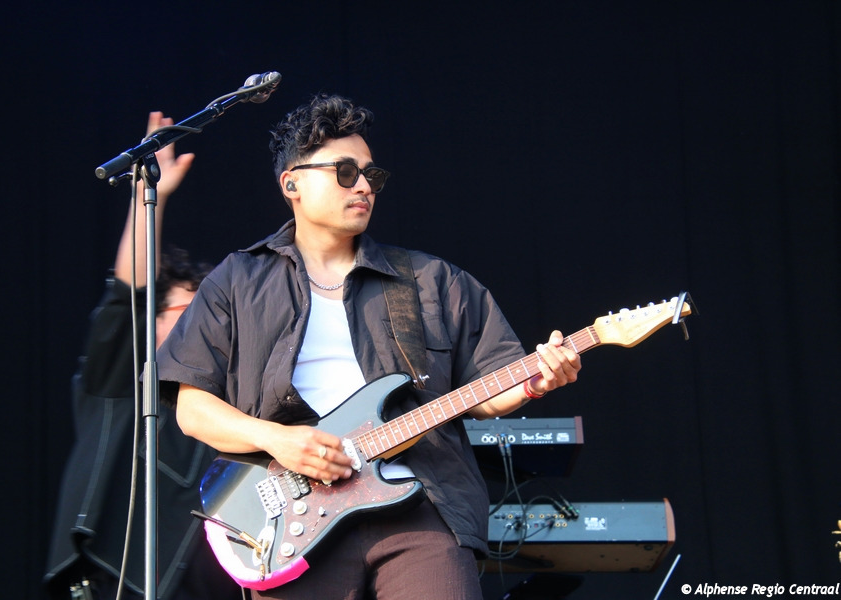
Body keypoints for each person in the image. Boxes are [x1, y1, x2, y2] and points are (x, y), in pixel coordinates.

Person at [156, 94, 582, 600]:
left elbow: (488, 388)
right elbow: (193, 409)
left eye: (371, 175)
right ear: (291, 183)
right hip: (294, 520)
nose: (363, 185)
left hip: (421, 505)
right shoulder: (237, 280)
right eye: (344, 171)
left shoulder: (432, 279)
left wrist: (535, 381)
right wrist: (278, 439)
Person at [44, 112, 239, 599]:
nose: (199, 325)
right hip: (110, 582)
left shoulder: (224, 410)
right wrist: (148, 196)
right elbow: (129, 295)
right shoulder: (122, 378)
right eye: (185, 311)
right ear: (152, 321)